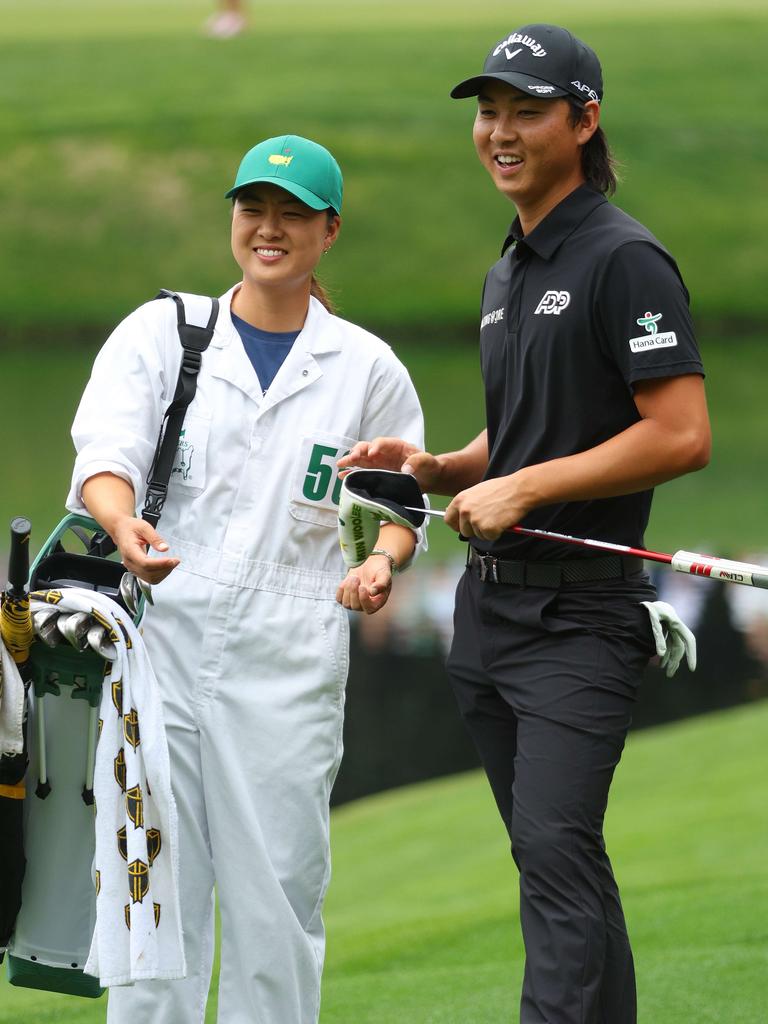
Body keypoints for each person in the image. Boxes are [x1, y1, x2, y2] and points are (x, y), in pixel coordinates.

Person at [339, 23, 710, 1024]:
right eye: (489, 112)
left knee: (554, 853)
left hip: (579, 625)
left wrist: (528, 487)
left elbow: (680, 433)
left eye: (526, 112)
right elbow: (527, 424)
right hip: (492, 619)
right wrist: (446, 466)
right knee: (558, 865)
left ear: (584, 122)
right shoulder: (513, 265)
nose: (500, 132)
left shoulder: (622, 258)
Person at [66, 134, 425, 1023]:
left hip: (293, 646)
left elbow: (403, 502)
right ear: (233, 216)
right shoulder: (165, 332)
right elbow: (104, 456)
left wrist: (380, 565)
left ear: (329, 230)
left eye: (293, 214)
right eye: (253, 208)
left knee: (277, 903)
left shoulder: (367, 368)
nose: (269, 229)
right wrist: (122, 524)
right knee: (152, 900)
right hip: (162, 630)